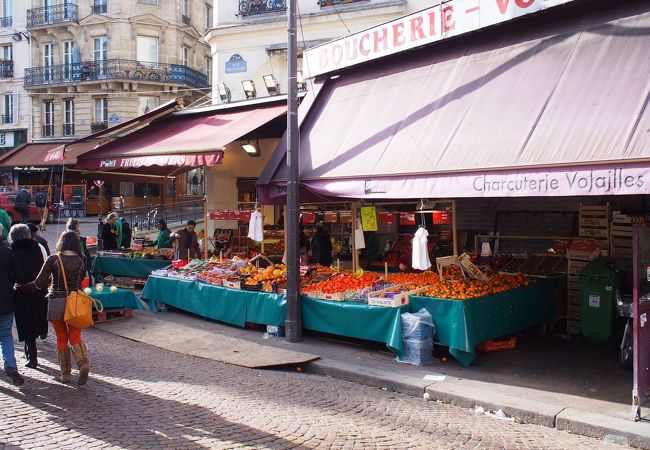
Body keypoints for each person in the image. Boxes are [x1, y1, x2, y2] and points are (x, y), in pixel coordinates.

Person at [16, 231, 89, 385]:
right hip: (75, 302)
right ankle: (83, 363)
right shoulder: (82, 260)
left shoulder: (53, 259)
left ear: (61, 243)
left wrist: (20, 287)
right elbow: (80, 281)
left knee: (61, 337)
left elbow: (38, 284)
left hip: (56, 302)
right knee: (75, 336)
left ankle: (65, 374)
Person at [10, 225, 47, 370]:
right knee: (38, 319)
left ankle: (32, 356)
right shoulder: (39, 247)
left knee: (26, 325)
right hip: (39, 290)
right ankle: (31, 352)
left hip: (21, 291)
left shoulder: (11, 250)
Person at [0, 223, 24, 385]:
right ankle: (10, 365)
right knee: (6, 335)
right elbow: (20, 276)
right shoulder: (7, 251)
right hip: (5, 300)